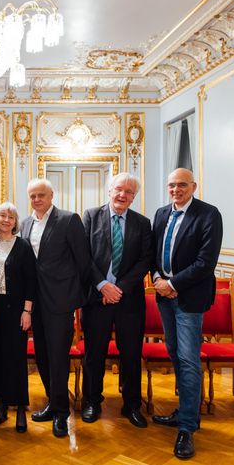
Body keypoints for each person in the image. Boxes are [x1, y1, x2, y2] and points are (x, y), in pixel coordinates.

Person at [151, 168, 223, 460]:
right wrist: (158, 277)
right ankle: (186, 412)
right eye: (171, 185)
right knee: (173, 353)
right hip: (164, 297)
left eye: (181, 185)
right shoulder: (160, 214)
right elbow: (154, 253)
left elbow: (206, 262)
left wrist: (172, 284)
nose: (176, 189)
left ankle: (187, 428)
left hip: (189, 298)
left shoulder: (208, 214)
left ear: (193, 186)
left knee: (188, 359)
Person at [80, 173, 153, 428]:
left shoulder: (143, 223)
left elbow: (146, 260)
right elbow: (84, 256)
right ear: (109, 190)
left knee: (131, 354)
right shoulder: (90, 216)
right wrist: (102, 286)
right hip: (96, 299)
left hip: (128, 300)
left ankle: (132, 405)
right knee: (94, 354)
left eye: (129, 192)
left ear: (134, 197)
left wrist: (117, 288)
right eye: (119, 190)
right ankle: (91, 401)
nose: (123, 195)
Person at [20, 178, 91, 438]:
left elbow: (83, 261)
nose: (36, 199)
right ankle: (53, 402)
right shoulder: (26, 223)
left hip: (60, 301)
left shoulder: (68, 219)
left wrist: (74, 296)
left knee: (59, 357)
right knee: (41, 356)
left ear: (52, 195)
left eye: (41, 195)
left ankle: (62, 413)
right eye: (32, 196)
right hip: (34, 302)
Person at [0, 202, 36, 433]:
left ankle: (20, 408)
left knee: (15, 359)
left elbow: (32, 281)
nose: (5, 220)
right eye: (2, 215)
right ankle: (1, 405)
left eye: (10, 217)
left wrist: (27, 311)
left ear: (15, 222)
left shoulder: (22, 246)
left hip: (16, 310)